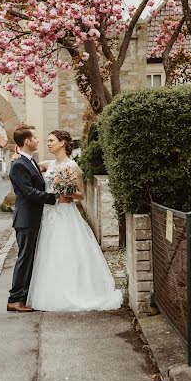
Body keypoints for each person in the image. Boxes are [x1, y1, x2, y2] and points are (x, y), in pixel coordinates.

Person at [27, 130, 123, 312]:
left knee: (67, 251)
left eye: (51, 140)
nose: (48, 143)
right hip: (49, 215)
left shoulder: (73, 167)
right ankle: (51, 293)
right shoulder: (47, 165)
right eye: (47, 141)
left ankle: (73, 291)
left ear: (62, 143)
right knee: (49, 253)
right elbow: (28, 166)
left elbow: (81, 195)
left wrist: (67, 193)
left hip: (65, 213)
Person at [7, 124, 71, 312]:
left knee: (30, 257)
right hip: (26, 219)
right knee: (24, 258)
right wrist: (54, 198)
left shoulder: (28, 160)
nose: (38, 140)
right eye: (34, 137)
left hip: (34, 217)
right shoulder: (19, 164)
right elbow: (28, 192)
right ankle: (14, 299)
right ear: (27, 141)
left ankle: (24, 296)